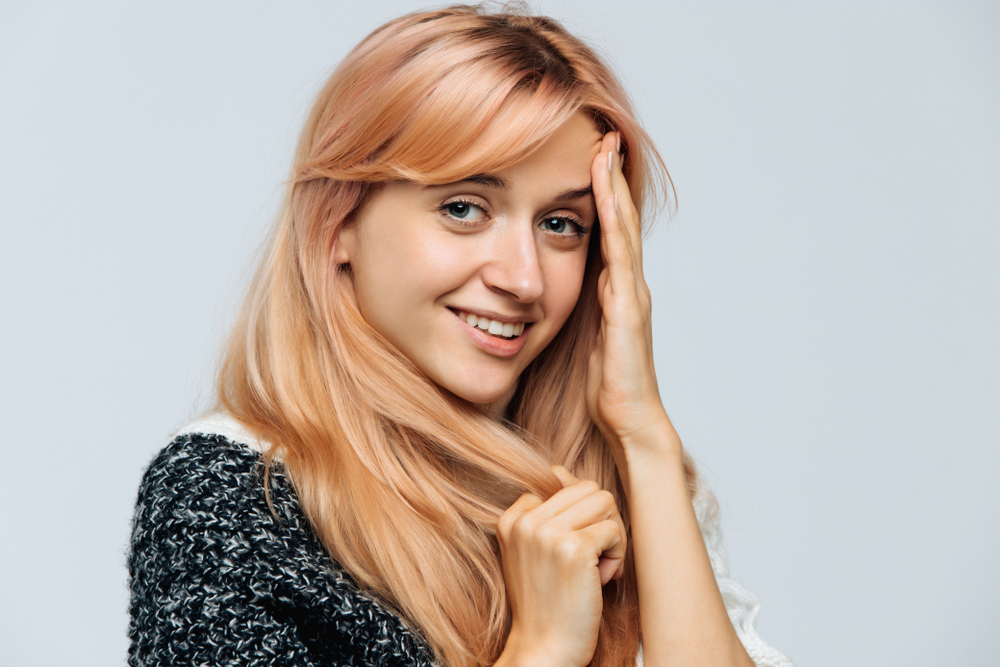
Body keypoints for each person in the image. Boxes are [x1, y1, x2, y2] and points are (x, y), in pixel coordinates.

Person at [128, 4, 793, 667]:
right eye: (464, 208)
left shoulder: (630, 484)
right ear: (338, 224)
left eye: (562, 223)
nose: (524, 278)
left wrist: (642, 432)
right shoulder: (228, 495)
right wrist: (541, 648)